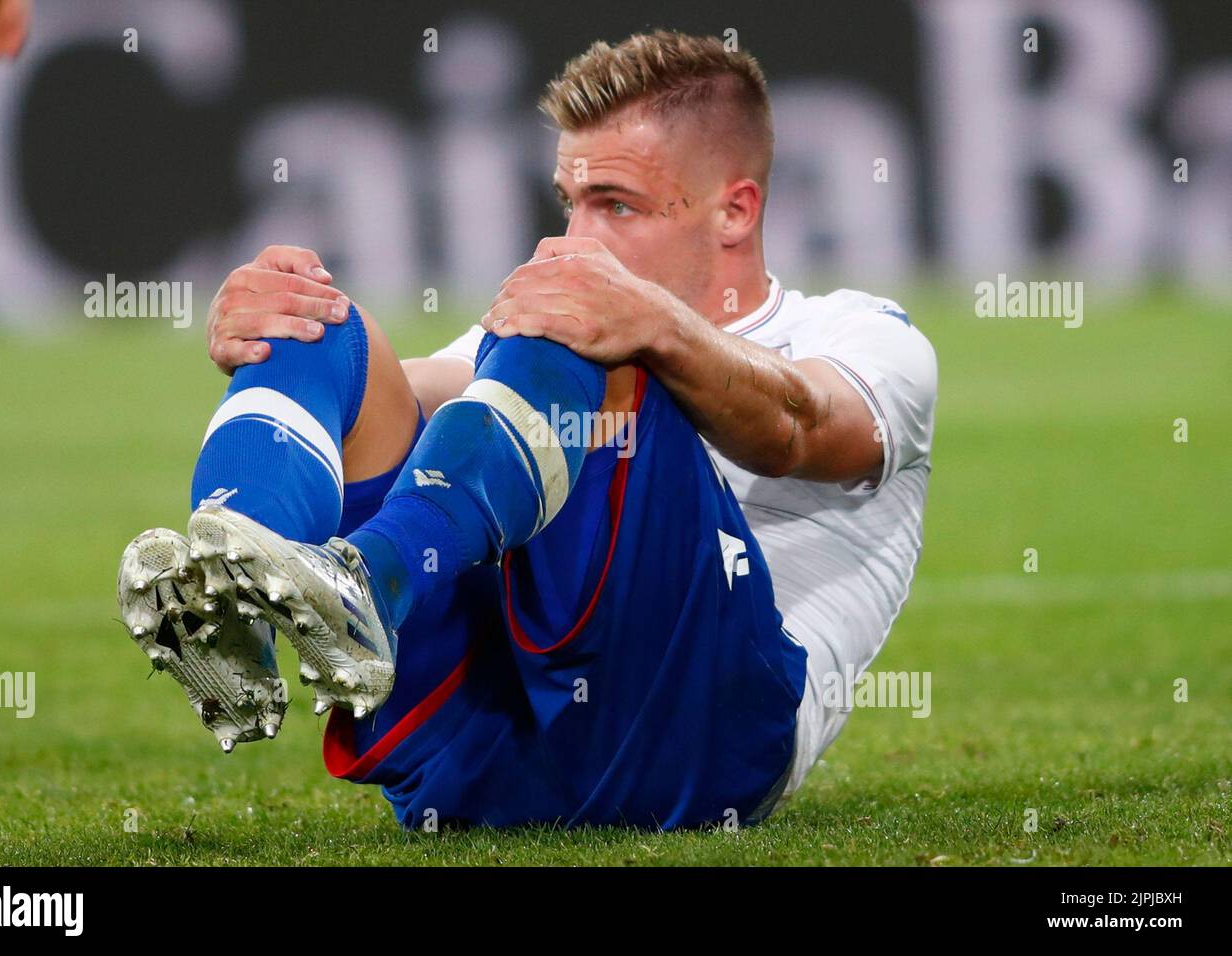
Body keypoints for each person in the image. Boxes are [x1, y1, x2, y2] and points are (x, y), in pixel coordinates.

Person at [117, 30, 937, 829]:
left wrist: (645, 320)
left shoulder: (866, 339)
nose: (577, 239)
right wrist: (278, 327)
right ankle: (232, 599)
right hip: (489, 749)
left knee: (585, 322)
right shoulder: (547, 338)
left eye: (617, 205)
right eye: (571, 203)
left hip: (699, 746)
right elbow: (392, 394)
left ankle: (370, 579)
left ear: (734, 210)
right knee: (325, 328)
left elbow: (801, 427)